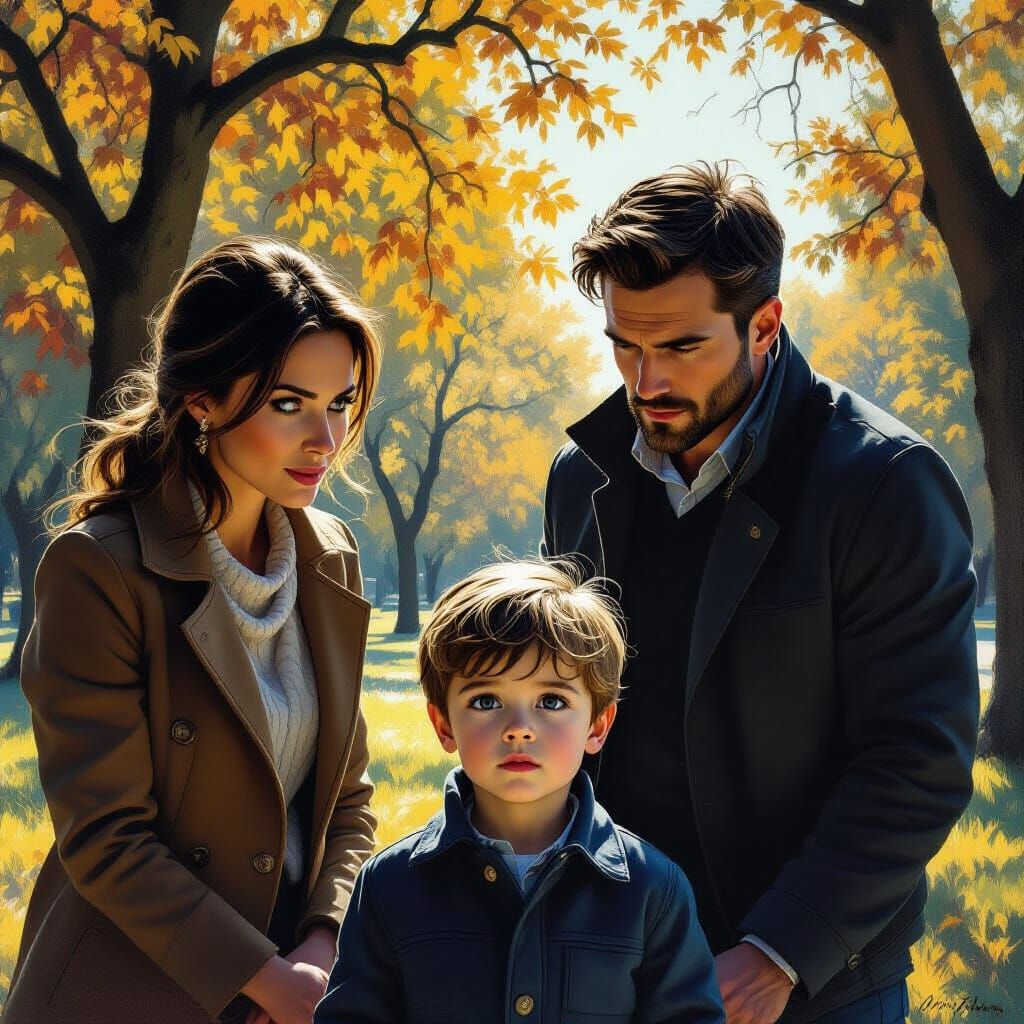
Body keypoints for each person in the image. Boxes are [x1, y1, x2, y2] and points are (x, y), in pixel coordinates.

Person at [540, 162, 979, 1024]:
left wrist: (780, 952)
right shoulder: (579, 479)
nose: (645, 381)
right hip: (614, 963)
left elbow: (917, 759)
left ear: (765, 324)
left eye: (680, 346)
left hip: (815, 983)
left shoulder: (885, 485)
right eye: (625, 345)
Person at [3, 237, 382, 1024]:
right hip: (126, 991)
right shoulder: (99, 569)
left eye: (340, 402)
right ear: (202, 399)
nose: (326, 438)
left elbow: (346, 794)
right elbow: (108, 840)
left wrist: (321, 941)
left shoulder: (331, 557)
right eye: (289, 404)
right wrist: (272, 981)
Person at [314, 559, 725, 1023]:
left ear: (598, 724)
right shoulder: (388, 885)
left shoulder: (655, 890)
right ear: (443, 724)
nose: (518, 729)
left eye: (551, 701)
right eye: (485, 701)